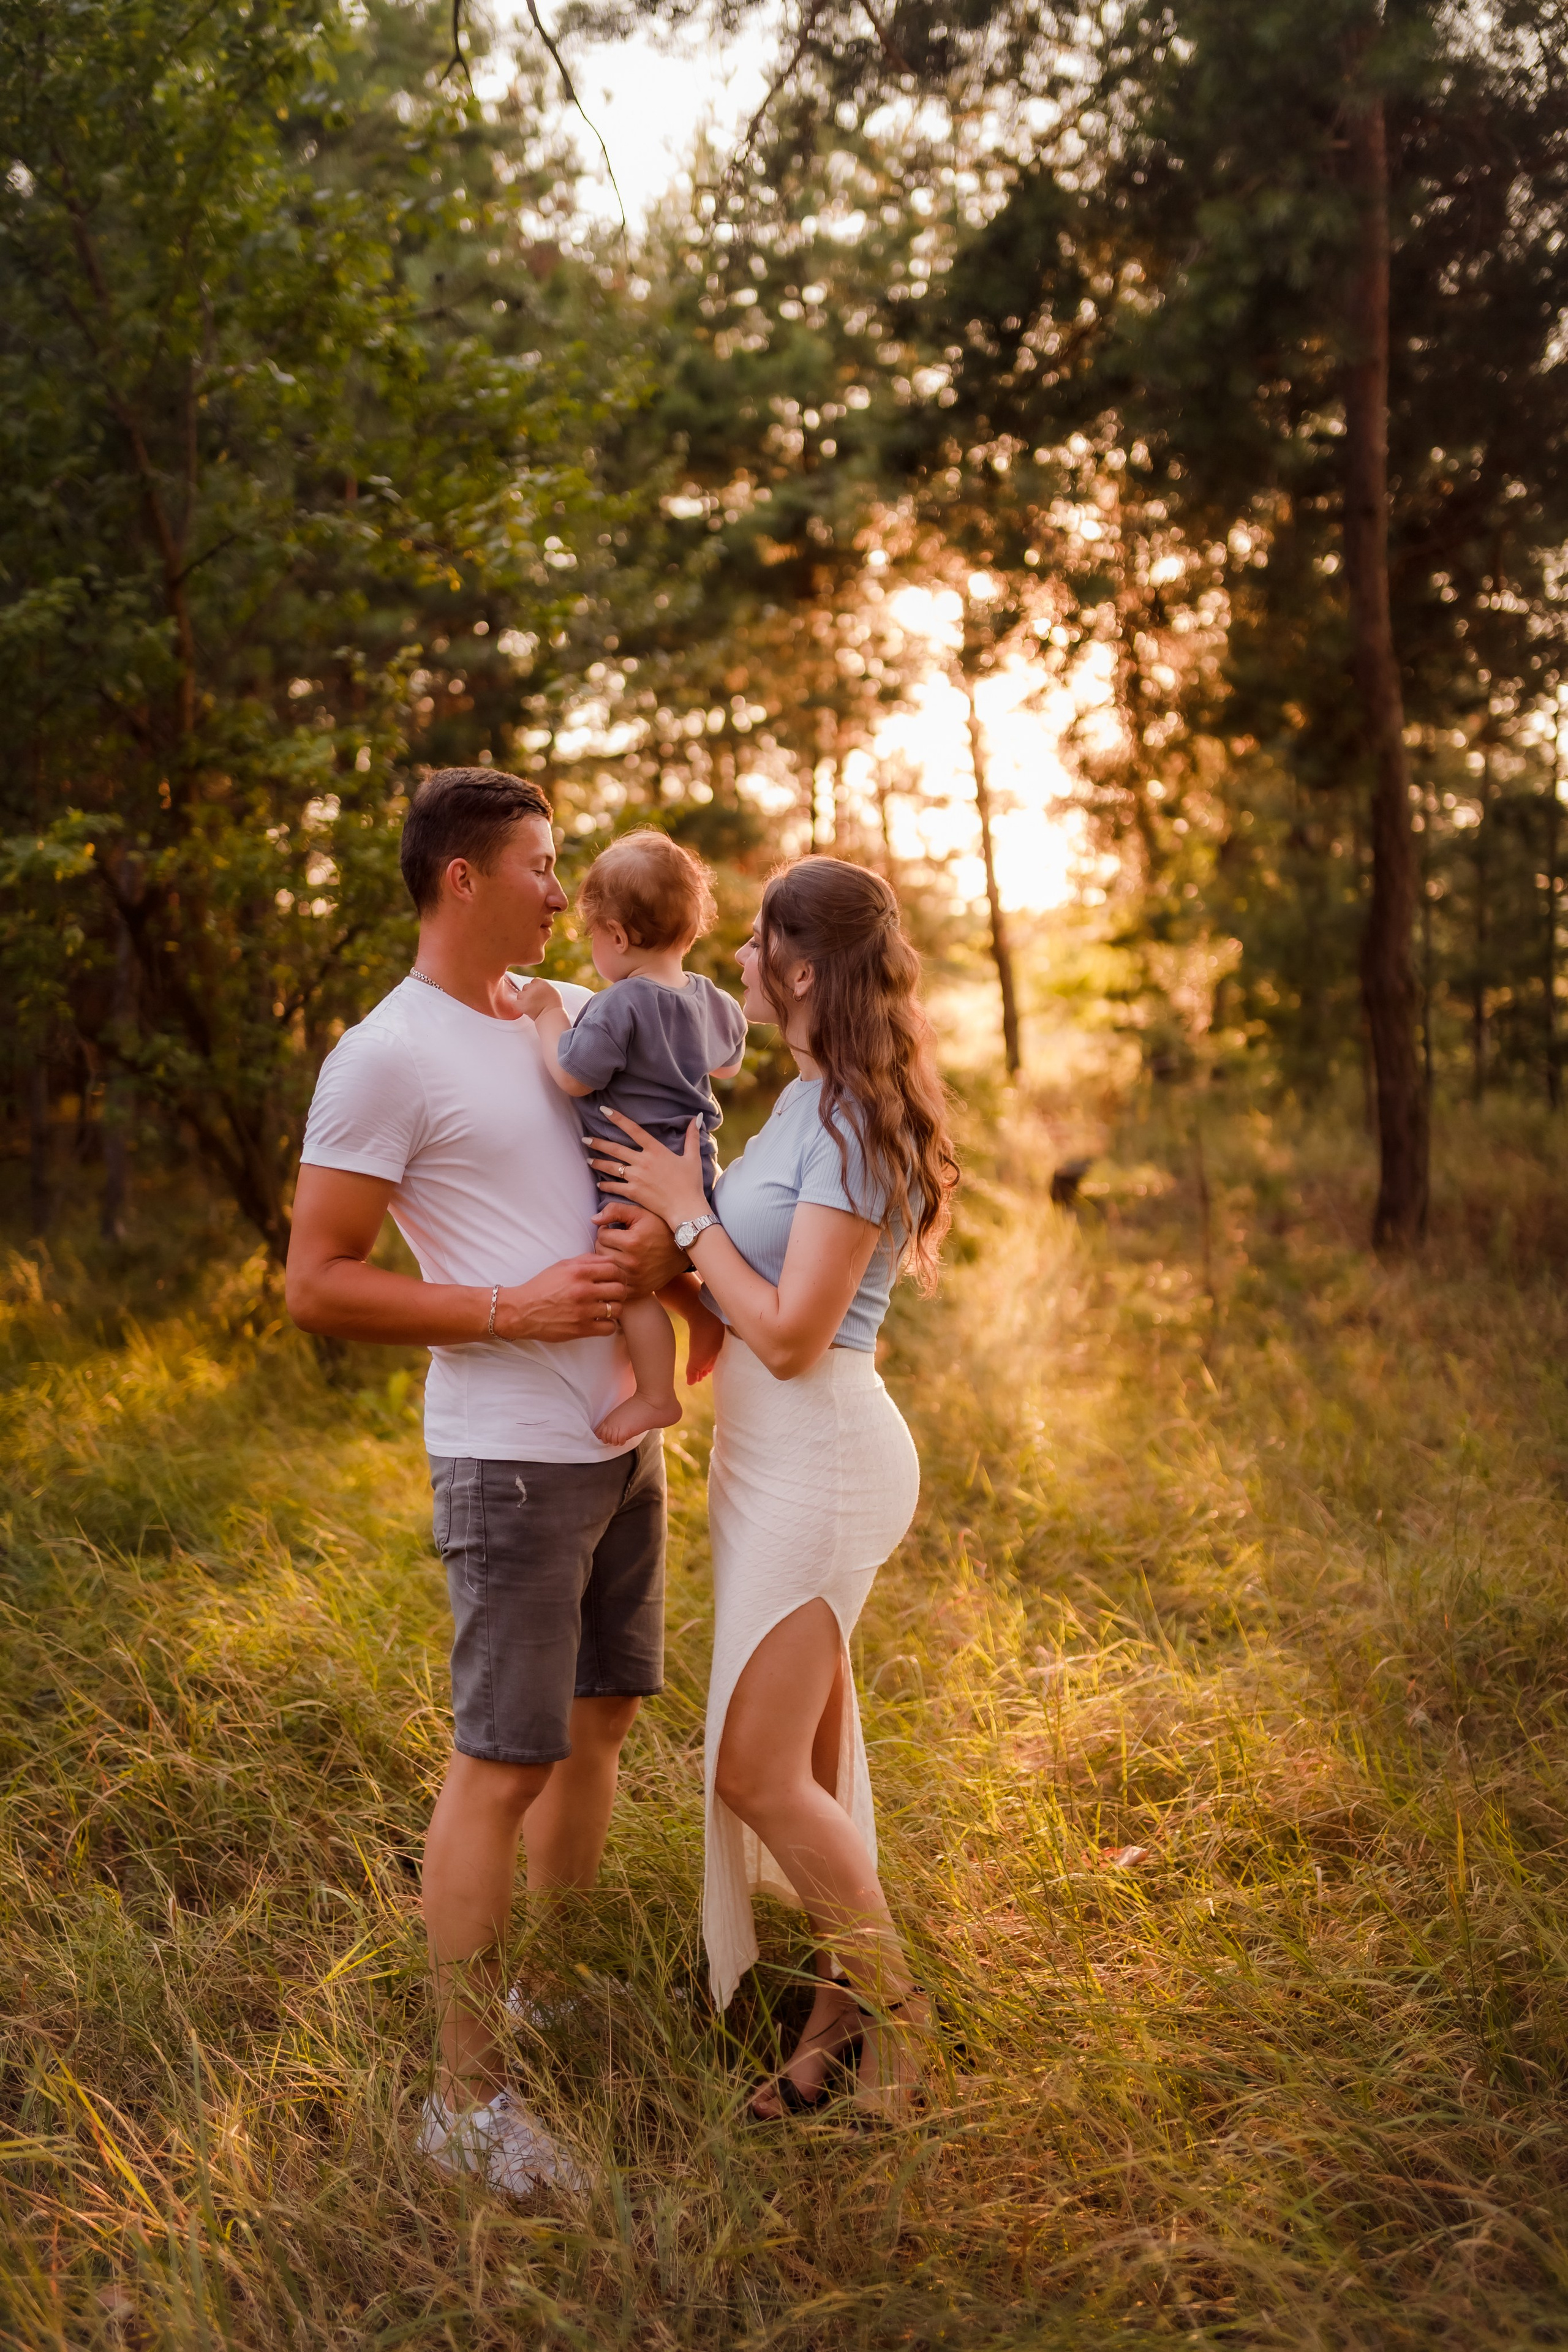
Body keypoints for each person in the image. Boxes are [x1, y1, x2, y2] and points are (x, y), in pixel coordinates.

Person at [285, 768, 690, 2198]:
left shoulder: (566, 1020)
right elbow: (315, 1281)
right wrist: (510, 1307)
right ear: (462, 877)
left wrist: (658, 1257)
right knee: (502, 1756)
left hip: (622, 1441)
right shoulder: (383, 1057)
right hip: (508, 1454)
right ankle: (465, 2103)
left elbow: (638, 1178)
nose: (556, 885)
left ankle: (552, 1995)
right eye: (537, 860)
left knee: (600, 1721)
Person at [586, 854, 957, 2122]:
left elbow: (797, 1333)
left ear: (799, 969)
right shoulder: (801, 1104)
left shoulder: (850, 1117)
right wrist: (667, 1251)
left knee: (757, 1773)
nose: (736, 961)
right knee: (810, 1762)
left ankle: (907, 2050)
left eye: (755, 944)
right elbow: (743, 1301)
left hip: (823, 1462)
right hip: (769, 1464)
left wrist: (689, 1218)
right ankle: (829, 2033)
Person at [522, 829, 747, 1448]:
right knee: (648, 1264)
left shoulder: (616, 1005)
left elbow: (571, 1074)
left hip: (637, 1175)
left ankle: (655, 1396)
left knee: (620, 1284)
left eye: (594, 936)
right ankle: (702, 1310)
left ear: (616, 936)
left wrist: (547, 1014)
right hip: (696, 1167)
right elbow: (726, 1066)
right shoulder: (714, 1000)